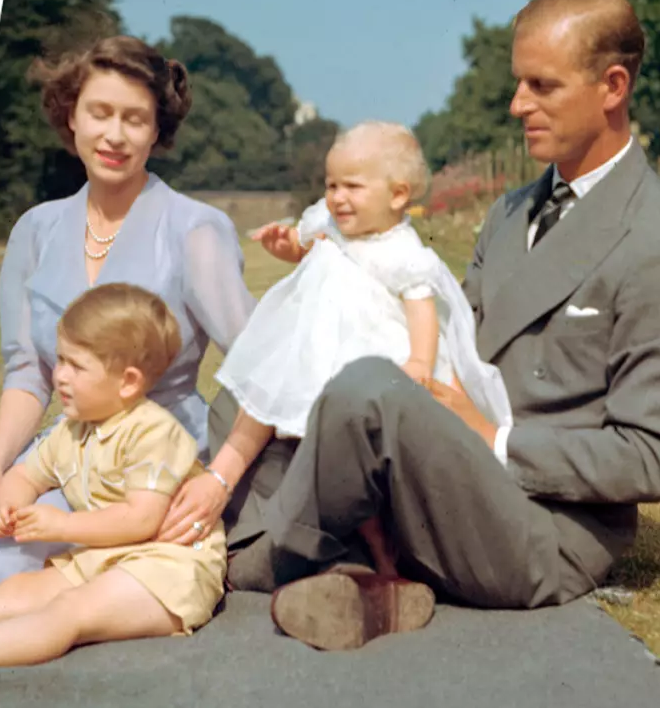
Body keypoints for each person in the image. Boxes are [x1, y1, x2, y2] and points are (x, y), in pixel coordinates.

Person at [219, 0, 660, 652]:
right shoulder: (511, 212)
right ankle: (354, 571)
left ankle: (255, 558)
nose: (518, 106)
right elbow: (446, 334)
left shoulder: (650, 236)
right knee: (253, 387)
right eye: (519, 83)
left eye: (541, 86)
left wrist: (492, 438)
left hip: (541, 527)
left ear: (613, 86)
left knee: (363, 391)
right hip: (444, 469)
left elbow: (649, 456)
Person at [0, 35, 255, 597]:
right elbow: (27, 373)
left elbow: (262, 367)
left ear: (157, 131)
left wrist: (221, 480)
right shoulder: (35, 231)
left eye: (135, 119)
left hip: (156, 460)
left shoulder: (196, 229)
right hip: (63, 453)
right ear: (71, 116)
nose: (115, 135)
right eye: (100, 112)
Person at [210, 121, 511, 600]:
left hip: (373, 354)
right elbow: (305, 243)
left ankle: (386, 559)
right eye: (331, 185)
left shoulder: (403, 252)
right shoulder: (328, 225)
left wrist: (419, 360)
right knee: (318, 454)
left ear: (397, 196)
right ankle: (347, 550)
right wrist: (288, 247)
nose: (336, 197)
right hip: (318, 350)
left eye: (352, 186)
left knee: (365, 467)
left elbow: (422, 309)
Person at [0, 283, 228, 674]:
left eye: (76, 365)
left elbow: (142, 519)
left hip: (170, 567)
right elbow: (26, 475)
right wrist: (10, 505)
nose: (59, 376)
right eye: (60, 360)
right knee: (19, 591)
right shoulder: (72, 430)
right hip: (106, 557)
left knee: (70, 610)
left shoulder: (152, 433)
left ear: (128, 382)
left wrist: (62, 524)